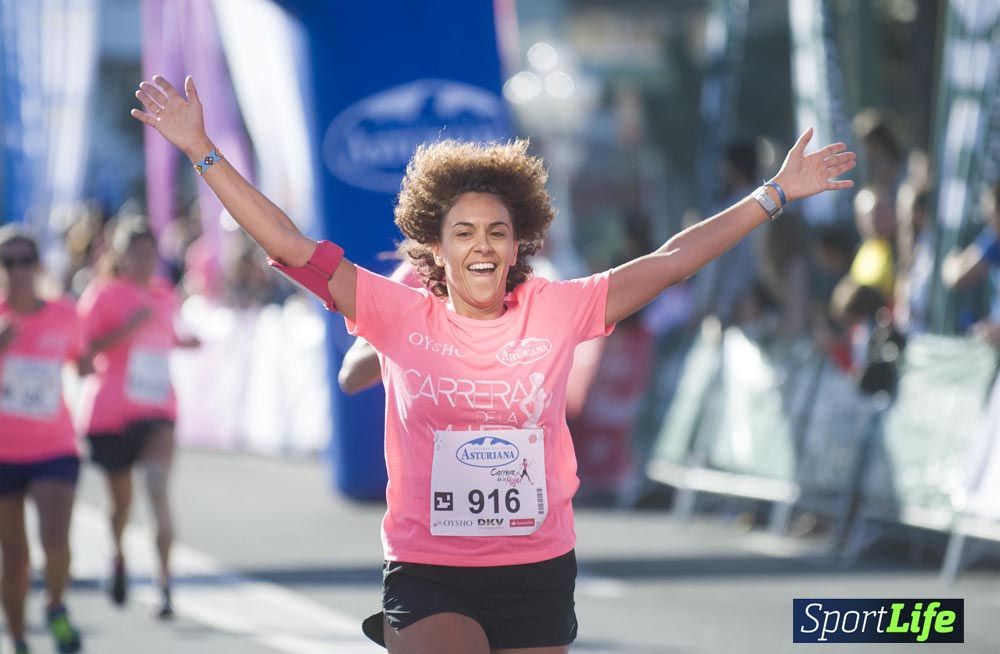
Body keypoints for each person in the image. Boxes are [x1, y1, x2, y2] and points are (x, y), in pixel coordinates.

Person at [131, 74, 855, 653]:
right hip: (430, 568)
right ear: (435, 249)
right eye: (465, 232)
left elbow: (669, 263)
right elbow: (289, 245)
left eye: (498, 233)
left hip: (538, 568)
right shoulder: (397, 311)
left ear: (519, 244)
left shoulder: (558, 308)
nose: (482, 246)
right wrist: (201, 151)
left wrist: (775, 193)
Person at [75, 217, 199, 619]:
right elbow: (83, 350)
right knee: (120, 504)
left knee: (157, 491)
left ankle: (164, 586)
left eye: (151, 253)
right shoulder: (101, 296)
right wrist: (127, 328)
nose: (147, 261)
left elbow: (165, 337)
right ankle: (117, 554)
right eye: (138, 253)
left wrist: (186, 342)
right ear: (120, 256)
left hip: (157, 409)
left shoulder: (165, 294)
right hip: (111, 414)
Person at [0, 227, 85, 654]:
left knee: (55, 543)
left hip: (54, 447)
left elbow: (83, 360)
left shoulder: (64, 315)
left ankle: (54, 603)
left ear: (37, 266)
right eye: (7, 262)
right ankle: (16, 638)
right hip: (3, 454)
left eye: (23, 261)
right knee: (13, 560)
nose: (16, 270)